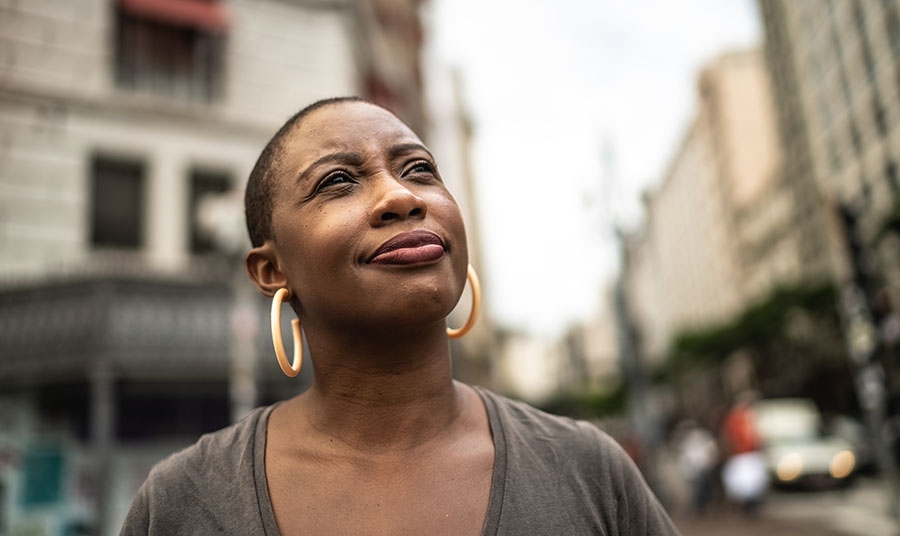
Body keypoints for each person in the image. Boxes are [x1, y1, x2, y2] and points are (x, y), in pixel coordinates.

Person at [120, 97, 680, 535]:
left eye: (419, 170)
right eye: (337, 180)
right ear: (271, 270)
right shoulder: (182, 500)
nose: (401, 197)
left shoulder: (587, 469)